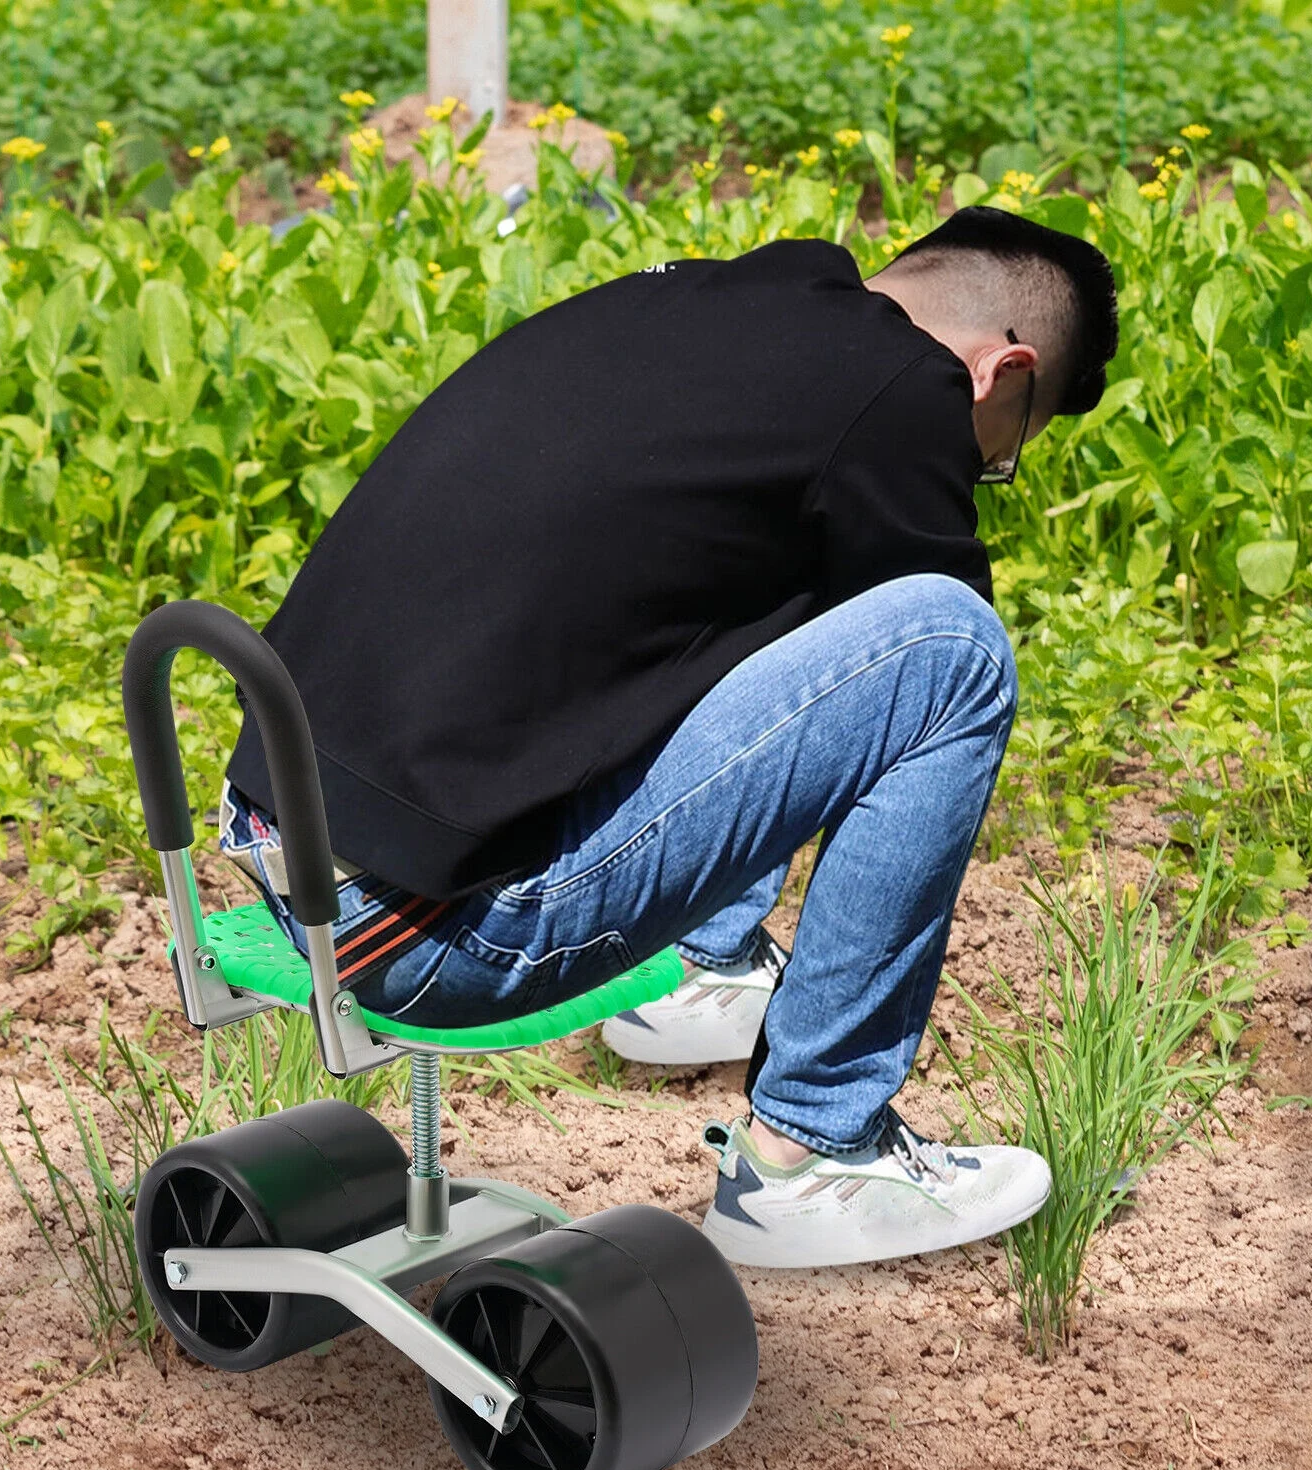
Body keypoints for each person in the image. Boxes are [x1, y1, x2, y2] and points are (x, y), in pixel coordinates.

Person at [219, 204, 1119, 1270]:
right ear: (1002, 373)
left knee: (781, 570)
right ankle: (814, 1148)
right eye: (1003, 455)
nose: (986, 471)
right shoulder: (902, 387)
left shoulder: (692, 297)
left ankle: (710, 967)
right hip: (434, 934)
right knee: (947, 649)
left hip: (287, 852)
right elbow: (894, 664)